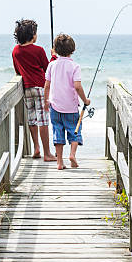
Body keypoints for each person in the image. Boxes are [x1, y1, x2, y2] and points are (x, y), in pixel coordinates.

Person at [44, 33, 90, 170]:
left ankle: (59, 162)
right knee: (74, 130)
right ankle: (72, 155)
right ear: (72, 50)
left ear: (55, 50)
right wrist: (85, 100)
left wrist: (46, 101)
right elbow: (77, 86)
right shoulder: (75, 66)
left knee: (57, 131)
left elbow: (47, 85)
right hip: (70, 107)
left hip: (55, 106)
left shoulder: (52, 65)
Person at [12, 19, 56, 162]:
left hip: (27, 89)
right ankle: (47, 153)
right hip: (40, 88)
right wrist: (54, 56)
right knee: (43, 119)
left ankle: (36, 148)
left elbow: (17, 70)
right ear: (32, 35)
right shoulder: (38, 50)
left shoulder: (15, 51)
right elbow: (47, 68)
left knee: (32, 118)